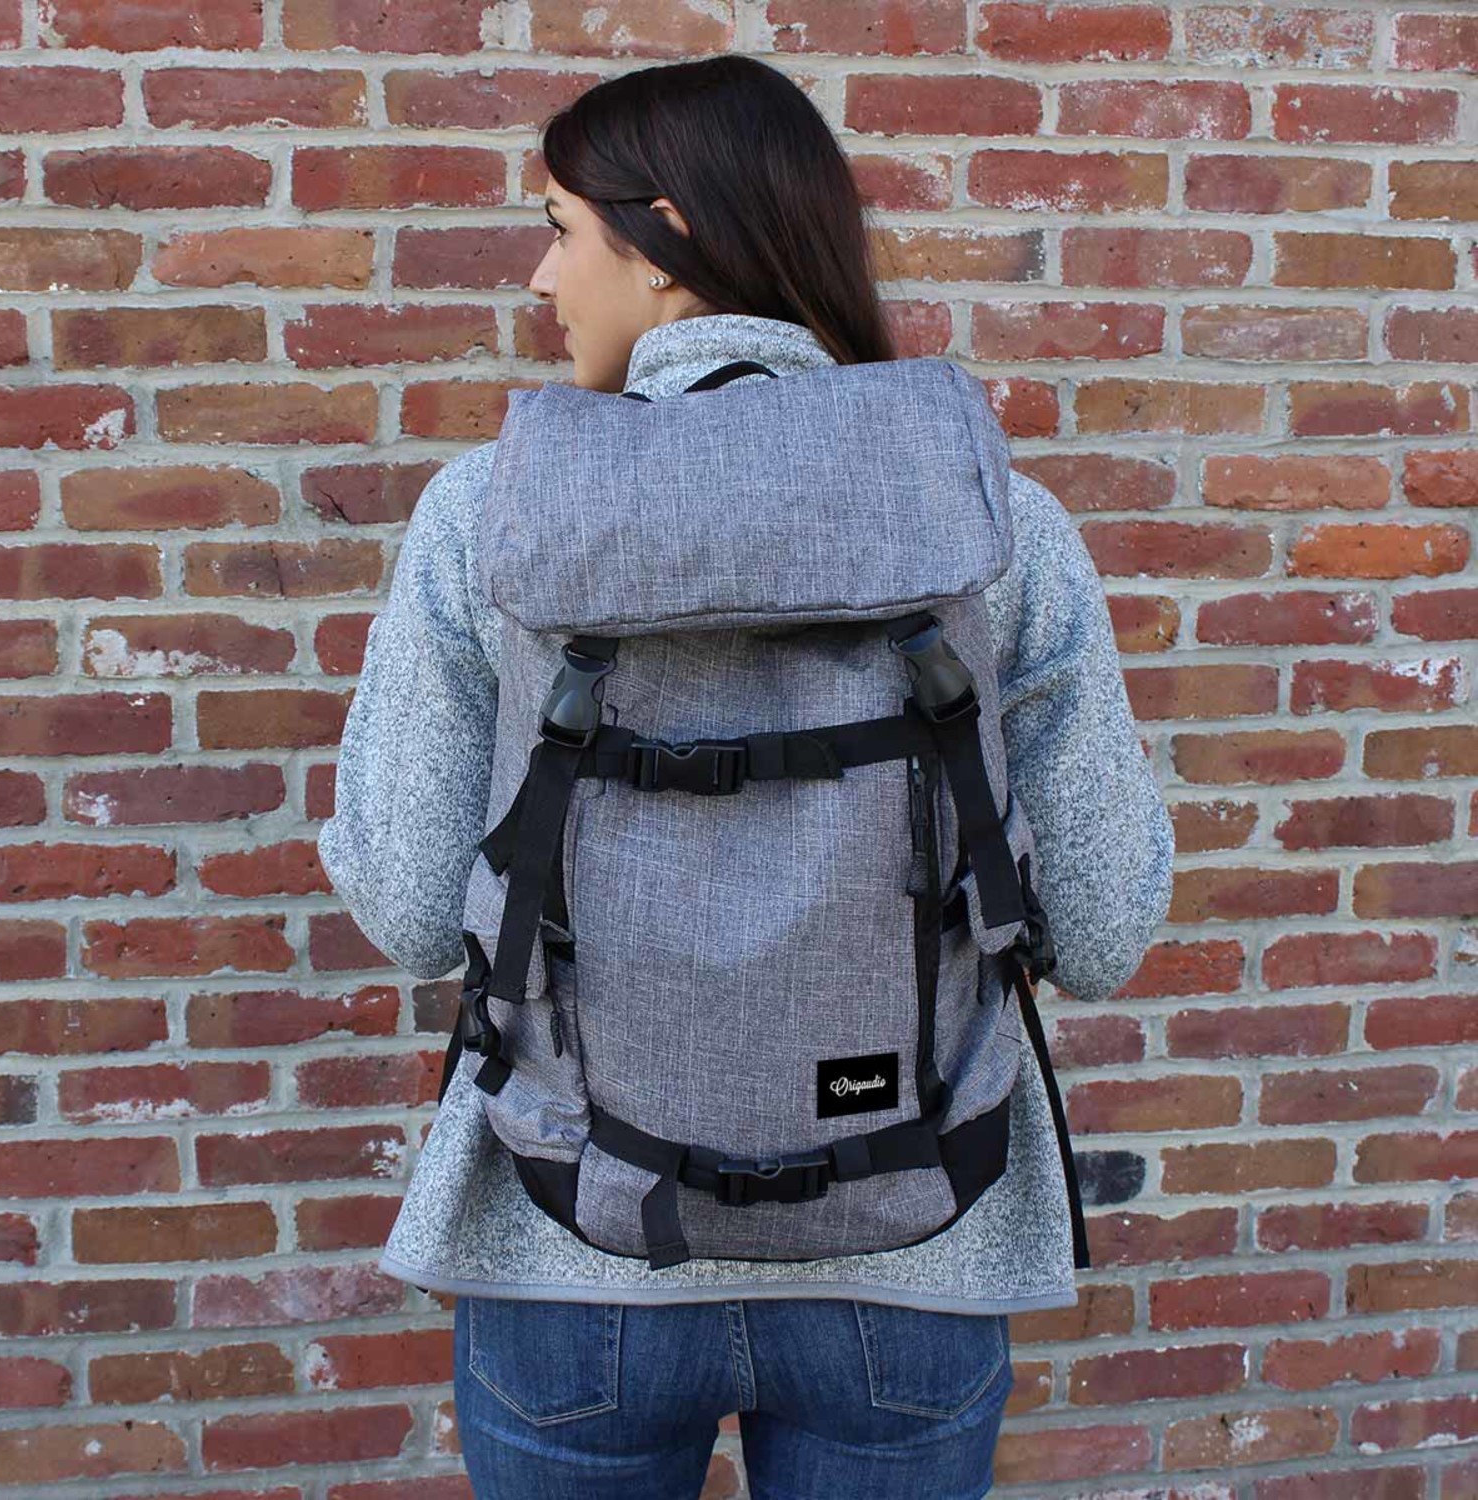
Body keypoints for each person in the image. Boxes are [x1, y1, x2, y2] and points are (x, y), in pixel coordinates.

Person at [317, 53, 1175, 1500]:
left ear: (662, 243)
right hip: (914, 1243)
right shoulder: (996, 518)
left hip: (574, 1248)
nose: (542, 277)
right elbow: (1102, 929)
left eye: (560, 231)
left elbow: (408, 908)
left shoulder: (486, 514)